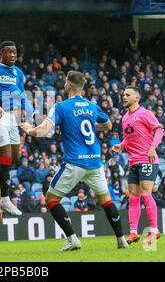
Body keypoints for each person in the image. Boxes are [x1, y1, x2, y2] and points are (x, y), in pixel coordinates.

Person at [21, 71, 128, 251]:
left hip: (75, 162)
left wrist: (30, 130)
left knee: (51, 199)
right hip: (95, 161)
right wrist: (90, 124)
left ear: (68, 85)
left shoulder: (61, 107)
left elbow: (44, 130)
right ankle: (121, 239)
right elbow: (108, 125)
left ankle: (72, 239)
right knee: (106, 200)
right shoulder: (92, 106)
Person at [0, 41, 38, 216]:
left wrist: (32, 113)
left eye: (15, 52)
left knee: (13, 159)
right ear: (1, 53)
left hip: (12, 116)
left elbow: (22, 96)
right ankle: (4, 199)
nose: (13, 55)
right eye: (9, 52)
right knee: (5, 156)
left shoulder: (18, 73)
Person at [112, 86, 164, 246]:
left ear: (137, 98)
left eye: (128, 94)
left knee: (146, 194)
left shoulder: (145, 113)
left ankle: (154, 230)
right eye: (123, 94)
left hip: (147, 160)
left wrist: (153, 147)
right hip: (133, 161)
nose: (124, 97)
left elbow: (159, 130)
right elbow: (128, 139)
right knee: (133, 197)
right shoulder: (124, 118)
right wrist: (121, 145)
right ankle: (133, 232)